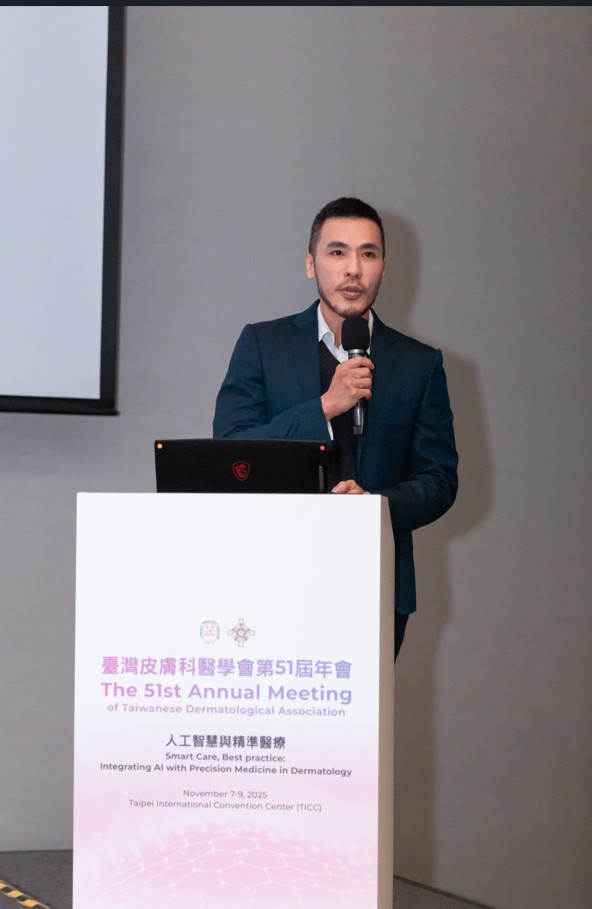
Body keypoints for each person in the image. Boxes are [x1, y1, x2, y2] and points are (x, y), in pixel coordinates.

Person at [213, 197, 458, 658]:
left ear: (383, 268)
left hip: (375, 583)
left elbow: (439, 480)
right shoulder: (263, 344)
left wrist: (374, 508)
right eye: (337, 252)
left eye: (368, 254)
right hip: (270, 575)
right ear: (311, 264)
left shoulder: (419, 364)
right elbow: (230, 450)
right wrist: (325, 406)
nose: (353, 269)